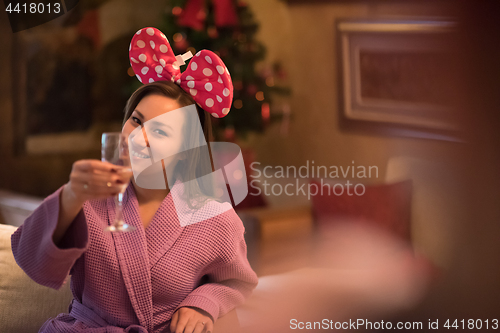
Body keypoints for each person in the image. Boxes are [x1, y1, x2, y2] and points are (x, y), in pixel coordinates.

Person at [11, 27, 258, 333]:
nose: (137, 138)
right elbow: (33, 263)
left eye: (160, 131)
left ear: (185, 151)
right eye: (136, 121)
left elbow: (237, 282)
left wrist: (203, 303)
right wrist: (70, 196)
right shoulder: (88, 199)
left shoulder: (215, 218)